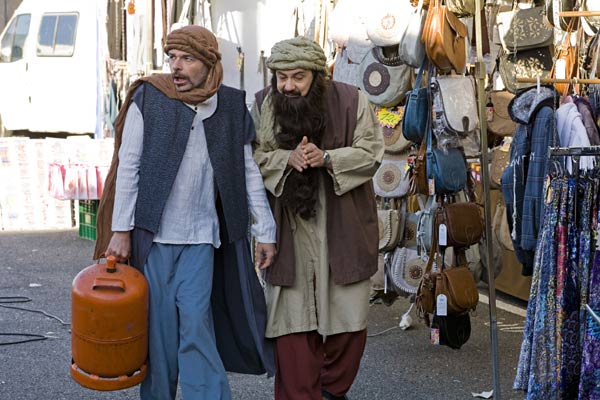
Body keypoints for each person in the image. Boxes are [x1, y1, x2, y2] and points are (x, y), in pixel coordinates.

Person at [93, 25, 276, 400]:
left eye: (187, 58)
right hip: (153, 237)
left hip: (201, 239)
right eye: (172, 57)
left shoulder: (229, 105)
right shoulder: (150, 96)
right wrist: (121, 230)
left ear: (209, 64)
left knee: (195, 326)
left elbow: (246, 171)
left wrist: (266, 230)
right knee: (158, 335)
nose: (176, 66)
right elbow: (129, 167)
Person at [251, 36, 384, 400]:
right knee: (293, 334)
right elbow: (254, 158)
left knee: (349, 330)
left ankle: (329, 393)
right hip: (289, 234)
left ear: (316, 75)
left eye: (297, 77)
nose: (288, 86)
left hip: (342, 228)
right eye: (281, 77)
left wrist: (327, 159)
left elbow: (371, 153)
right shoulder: (264, 105)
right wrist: (285, 159)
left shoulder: (352, 101)